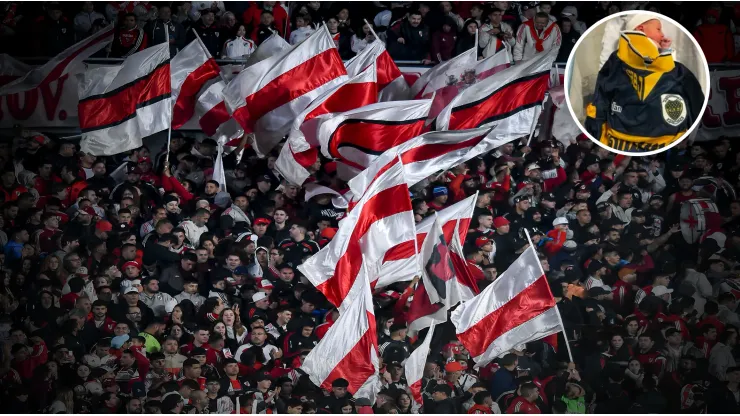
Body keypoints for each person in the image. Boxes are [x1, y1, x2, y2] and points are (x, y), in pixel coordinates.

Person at [585, 14, 705, 153]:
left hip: (624, 135)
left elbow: (602, 94)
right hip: (657, 135)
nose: (663, 34)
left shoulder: (617, 61)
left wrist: (664, 51)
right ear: (641, 29)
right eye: (658, 29)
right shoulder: (619, 61)